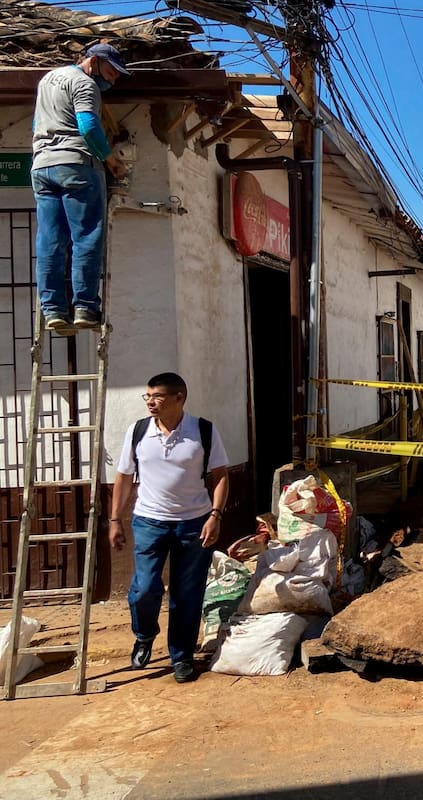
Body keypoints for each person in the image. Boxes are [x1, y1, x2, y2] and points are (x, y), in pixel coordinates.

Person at [109, 372, 229, 683]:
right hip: (149, 521)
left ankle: (182, 657)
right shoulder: (138, 431)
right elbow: (124, 477)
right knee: (145, 588)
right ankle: (144, 634)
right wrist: (115, 519)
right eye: (147, 396)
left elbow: (220, 476)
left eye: (157, 396)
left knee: (187, 594)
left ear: (179, 398)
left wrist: (215, 515)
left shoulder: (203, 430)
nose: (150, 402)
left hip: (194, 523)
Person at [32, 42, 129, 333]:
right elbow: (87, 127)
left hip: (42, 166)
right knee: (86, 237)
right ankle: (85, 307)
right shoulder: (86, 85)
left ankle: (53, 310)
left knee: (50, 240)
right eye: (111, 72)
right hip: (76, 166)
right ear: (93, 61)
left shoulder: (48, 79)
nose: (112, 80)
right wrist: (111, 161)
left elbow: (37, 123)